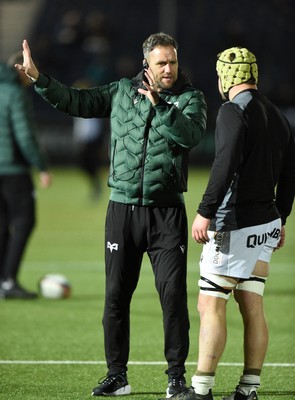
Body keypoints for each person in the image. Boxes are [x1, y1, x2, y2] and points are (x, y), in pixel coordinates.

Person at [15, 33, 207, 397]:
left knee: (171, 298)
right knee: (116, 297)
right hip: (121, 211)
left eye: (173, 62)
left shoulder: (190, 98)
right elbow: (76, 101)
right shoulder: (121, 91)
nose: (169, 69)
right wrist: (40, 80)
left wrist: (160, 105)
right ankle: (117, 375)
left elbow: (191, 136)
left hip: (166, 213)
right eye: (162, 63)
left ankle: (176, 378)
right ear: (146, 63)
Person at [162, 47, 295, 400]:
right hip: (266, 224)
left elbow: (225, 164)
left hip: (234, 224)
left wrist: (205, 210)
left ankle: (202, 389)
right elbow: (290, 172)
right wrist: (281, 217)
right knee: (252, 304)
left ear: (225, 77)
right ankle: (248, 390)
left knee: (210, 303)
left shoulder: (233, 112)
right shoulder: (277, 115)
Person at [0, 53, 52, 300]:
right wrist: (41, 166)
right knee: (24, 221)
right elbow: (24, 135)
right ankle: (8, 280)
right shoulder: (15, 94)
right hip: (12, 169)